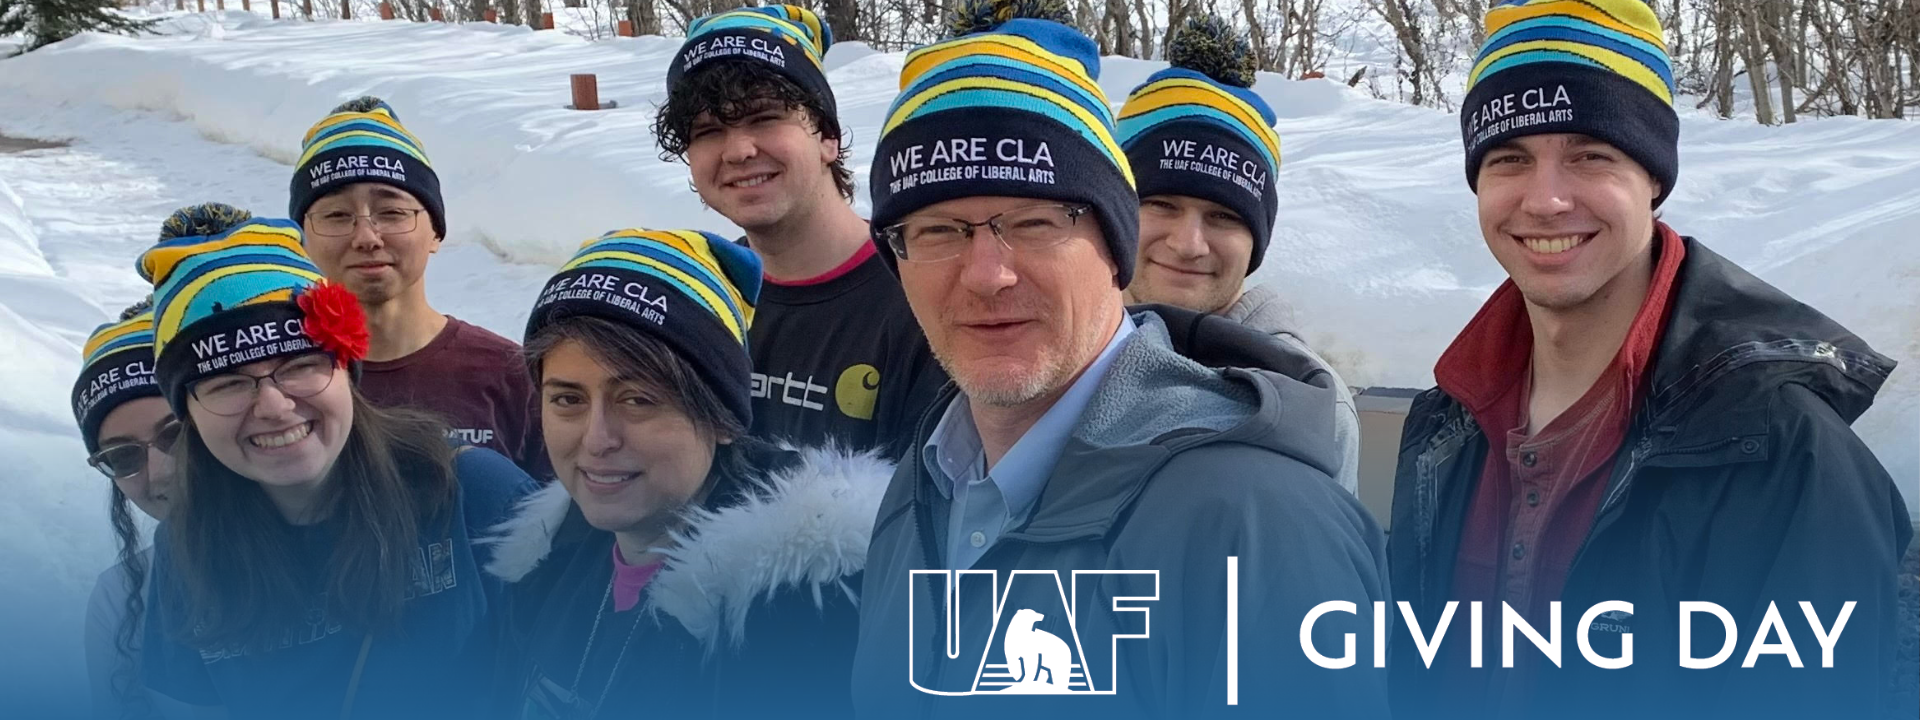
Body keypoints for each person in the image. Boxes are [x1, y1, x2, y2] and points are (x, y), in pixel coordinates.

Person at [851, 2, 1390, 717]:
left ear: (1115, 247)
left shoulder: (1256, 525)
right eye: (938, 230)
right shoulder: (924, 483)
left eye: (1035, 223)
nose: (987, 275)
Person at [1387, 3, 1912, 719]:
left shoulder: (1785, 454)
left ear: (1654, 179)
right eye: (1509, 158)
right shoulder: (1445, 424)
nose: (1545, 199)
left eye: (1591, 155)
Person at [133, 207, 538, 719]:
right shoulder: (186, 550)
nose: (274, 406)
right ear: (188, 414)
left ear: (347, 370)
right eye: (228, 383)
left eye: (301, 365)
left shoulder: (473, 496)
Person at [482, 229, 894, 719]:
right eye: (568, 399)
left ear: (721, 418)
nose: (597, 439)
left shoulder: (807, 620)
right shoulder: (545, 560)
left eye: (639, 400)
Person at [654, 5, 946, 458]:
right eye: (708, 131)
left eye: (764, 118)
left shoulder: (922, 293)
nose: (737, 150)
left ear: (827, 136)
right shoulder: (696, 298)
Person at [1115, 15, 1360, 496]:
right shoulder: (1049, 356)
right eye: (1161, 205)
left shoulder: (1310, 402)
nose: (1188, 243)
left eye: (1223, 216)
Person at [290, 97, 545, 474]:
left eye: (392, 212)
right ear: (302, 240)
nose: (366, 237)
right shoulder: (279, 383)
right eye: (337, 215)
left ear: (436, 232)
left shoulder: (511, 378)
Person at [72, 301, 196, 720]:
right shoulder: (121, 599)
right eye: (123, 456)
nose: (160, 473)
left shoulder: (347, 543)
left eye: (175, 434)